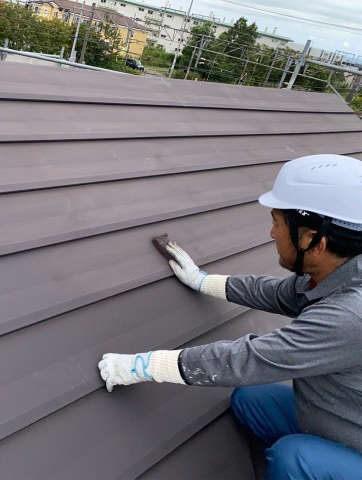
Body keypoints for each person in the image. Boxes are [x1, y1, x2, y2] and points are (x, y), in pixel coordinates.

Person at [98, 154, 362, 479]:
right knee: (250, 401)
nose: (272, 233)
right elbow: (279, 293)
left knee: (293, 458)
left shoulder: (351, 315)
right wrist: (202, 280)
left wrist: (144, 366)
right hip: (342, 416)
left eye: (277, 222)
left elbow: (249, 359)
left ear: (312, 240)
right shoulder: (341, 271)